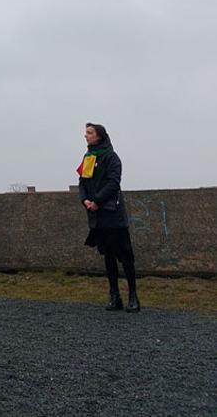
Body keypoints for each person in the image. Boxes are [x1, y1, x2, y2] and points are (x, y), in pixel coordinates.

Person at [78, 122, 140, 312]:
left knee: (125, 257)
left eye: (89, 133)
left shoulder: (112, 157)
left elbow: (114, 183)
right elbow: (82, 183)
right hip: (98, 218)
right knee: (108, 257)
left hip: (113, 215)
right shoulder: (88, 158)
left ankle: (133, 297)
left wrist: (97, 201)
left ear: (100, 136)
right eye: (85, 133)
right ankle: (115, 296)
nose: (86, 136)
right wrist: (85, 201)